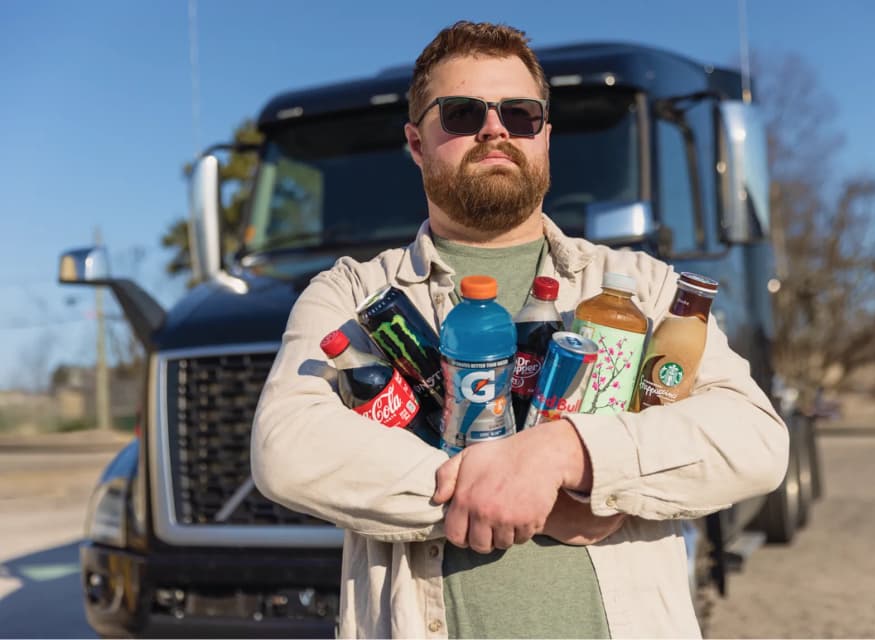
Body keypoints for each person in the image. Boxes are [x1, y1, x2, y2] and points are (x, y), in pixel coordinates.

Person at [252, 20, 789, 639]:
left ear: (545, 136)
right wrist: (513, 488)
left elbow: (754, 441)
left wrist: (569, 455)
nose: (494, 128)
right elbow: (285, 448)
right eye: (459, 113)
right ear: (417, 143)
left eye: (521, 113)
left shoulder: (642, 285)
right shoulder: (348, 294)